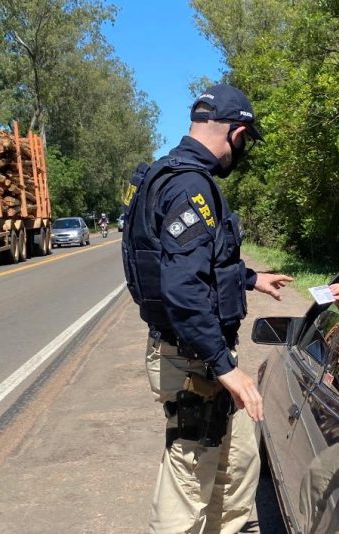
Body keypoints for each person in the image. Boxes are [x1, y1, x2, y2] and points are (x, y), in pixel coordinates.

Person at [121, 84, 293, 533]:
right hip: (194, 358)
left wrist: (252, 278)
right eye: (245, 142)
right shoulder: (189, 186)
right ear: (236, 133)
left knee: (237, 461)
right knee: (189, 480)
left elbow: (195, 266)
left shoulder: (170, 175)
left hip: (203, 354)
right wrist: (223, 366)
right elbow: (183, 289)